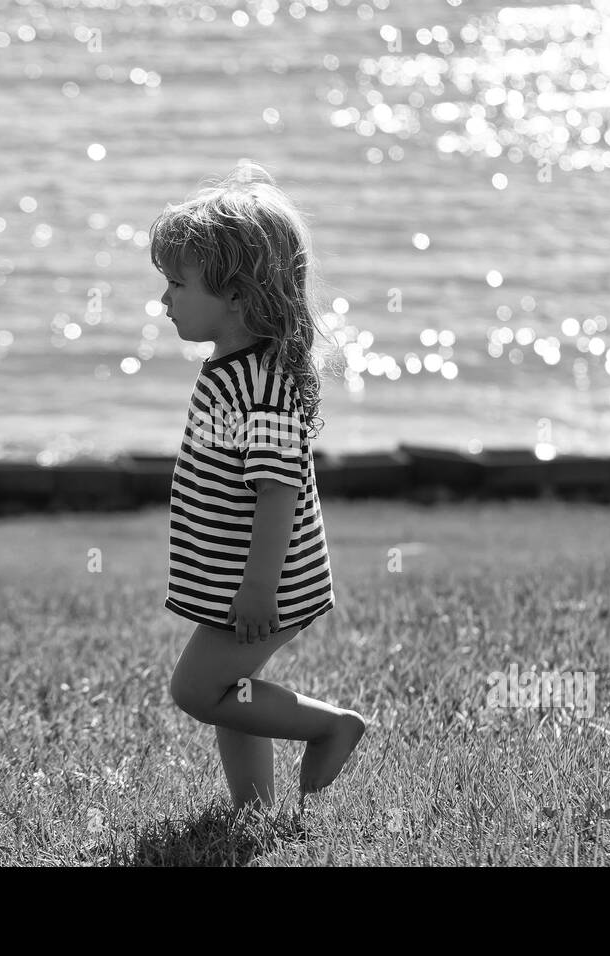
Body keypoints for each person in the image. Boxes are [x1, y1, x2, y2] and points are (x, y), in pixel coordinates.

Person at [150, 163, 366, 813]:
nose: (164, 301)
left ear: (237, 296)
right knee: (231, 695)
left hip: (266, 581)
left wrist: (257, 589)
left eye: (177, 285)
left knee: (198, 689)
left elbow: (277, 493)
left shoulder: (260, 384)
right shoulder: (233, 367)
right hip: (240, 578)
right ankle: (254, 813)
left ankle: (332, 726)